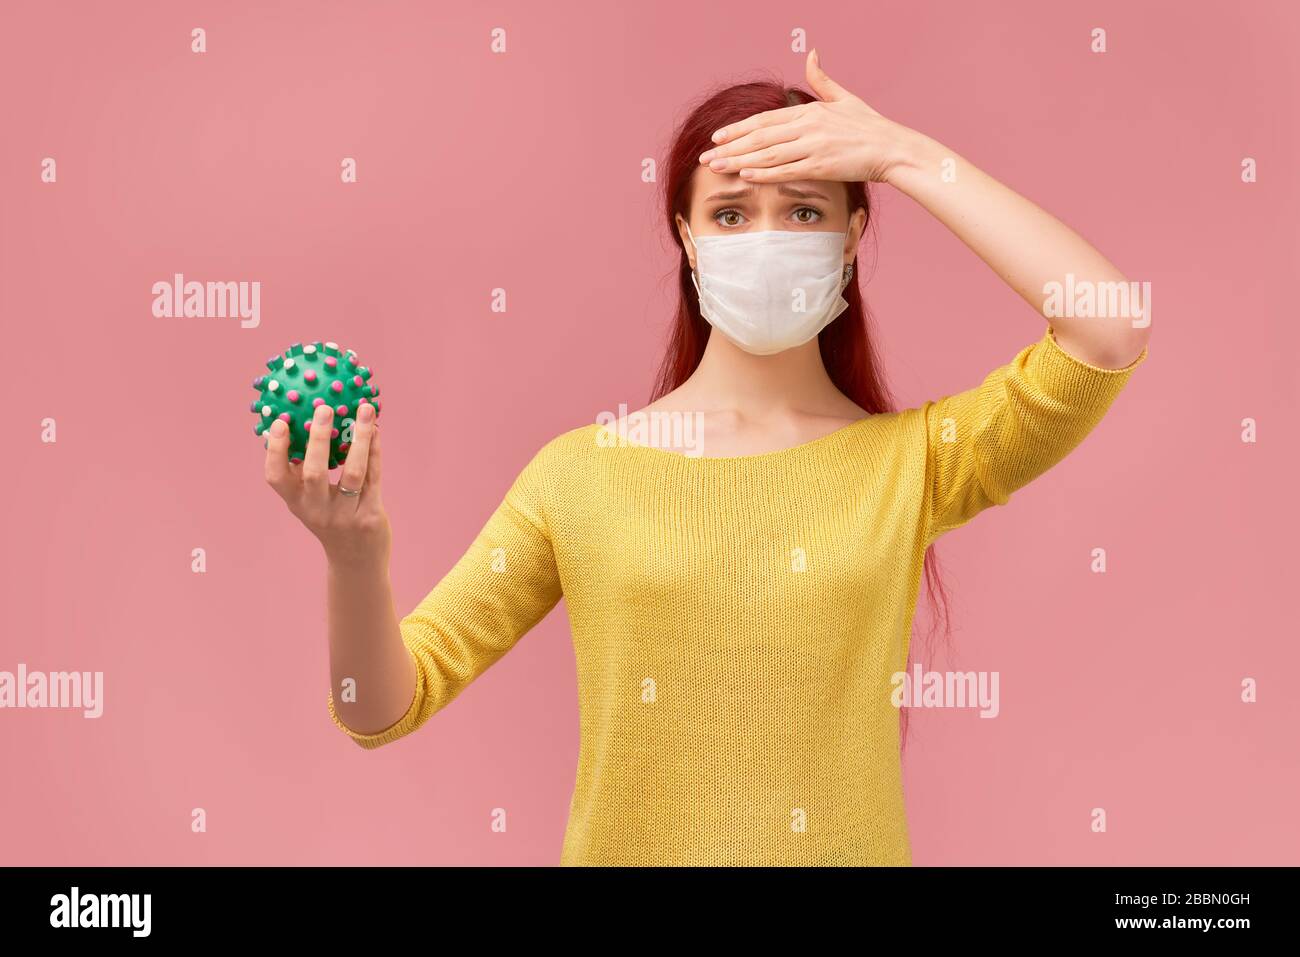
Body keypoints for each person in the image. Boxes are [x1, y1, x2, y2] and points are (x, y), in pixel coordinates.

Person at [262, 50, 1149, 866]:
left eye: (804, 209)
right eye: (730, 212)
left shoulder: (914, 462)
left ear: (851, 236)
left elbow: (1106, 326)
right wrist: (354, 556)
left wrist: (902, 154)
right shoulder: (581, 475)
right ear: (687, 240)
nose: (767, 237)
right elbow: (377, 707)